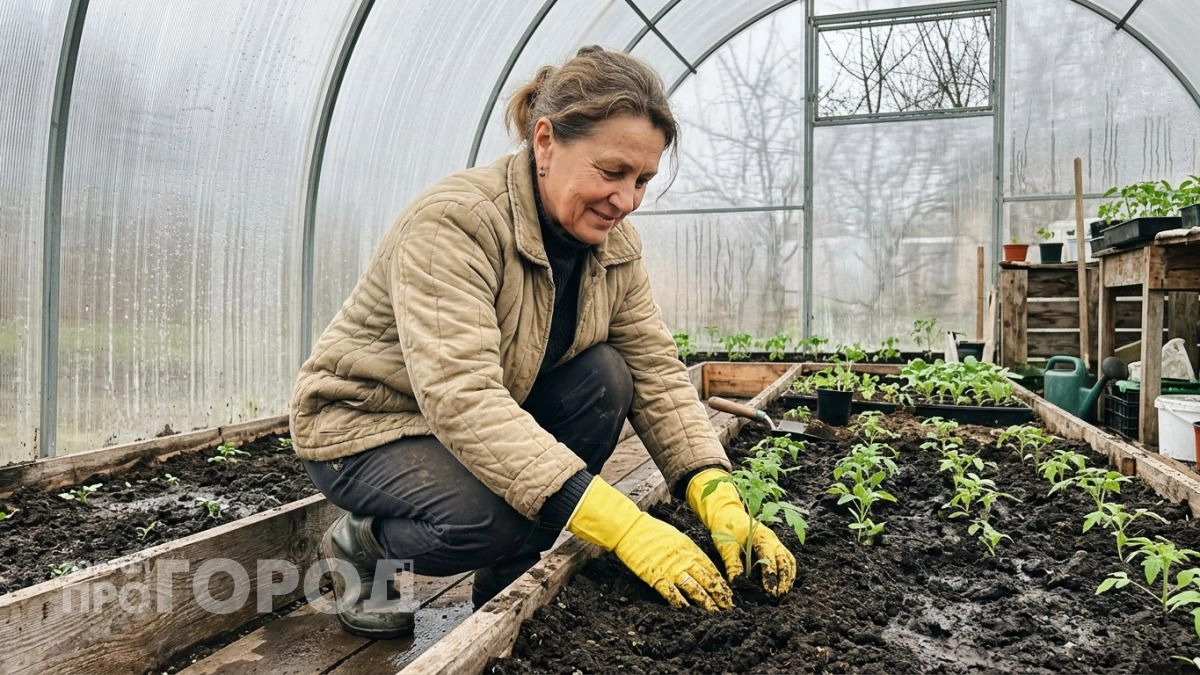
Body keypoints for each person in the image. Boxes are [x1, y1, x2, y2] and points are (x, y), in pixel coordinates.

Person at [289, 45, 796, 639]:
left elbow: (655, 370)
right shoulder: (457, 222)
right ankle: (363, 545)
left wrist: (714, 488)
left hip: (476, 416)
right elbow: (461, 395)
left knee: (608, 376)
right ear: (546, 141)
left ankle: (507, 584)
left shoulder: (614, 246)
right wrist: (624, 525)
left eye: (642, 180)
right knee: (491, 517)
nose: (627, 200)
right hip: (368, 424)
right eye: (612, 172)